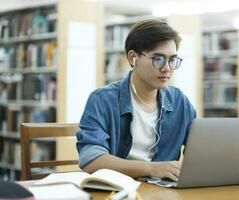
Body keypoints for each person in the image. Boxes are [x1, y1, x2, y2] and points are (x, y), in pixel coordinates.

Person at [76, 19, 196, 182]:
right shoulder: (102, 100)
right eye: (158, 59)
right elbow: (91, 160)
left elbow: (200, 151)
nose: (167, 68)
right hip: (119, 190)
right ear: (133, 58)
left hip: (163, 191)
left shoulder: (179, 101)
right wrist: (151, 168)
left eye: (172, 60)